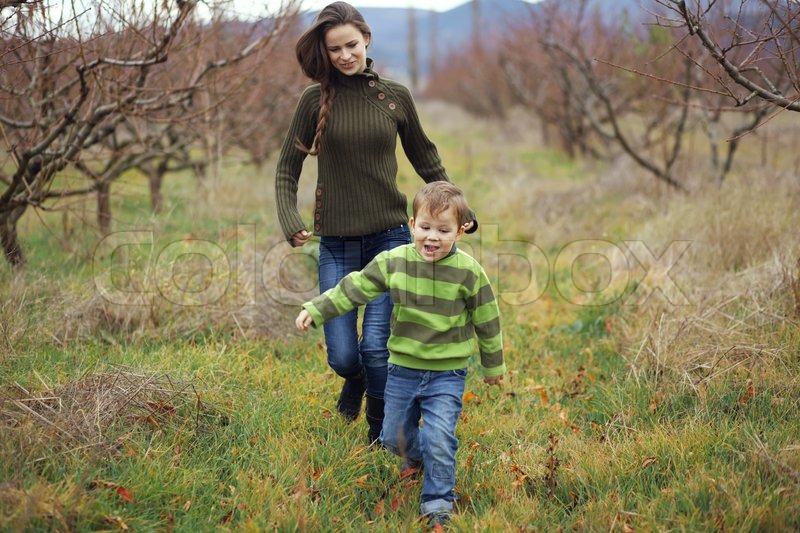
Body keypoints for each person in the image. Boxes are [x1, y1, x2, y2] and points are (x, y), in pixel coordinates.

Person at [274, 1, 477, 443]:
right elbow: (287, 168)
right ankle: (355, 380)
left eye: (351, 45)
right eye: (334, 50)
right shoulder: (314, 101)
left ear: (366, 39)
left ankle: (380, 434)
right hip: (338, 245)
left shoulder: (395, 97)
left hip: (390, 240)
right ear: (324, 53)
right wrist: (290, 220)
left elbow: (425, 157)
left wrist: (462, 211)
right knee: (345, 356)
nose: (345, 55)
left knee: (377, 348)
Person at [295, 182, 504, 526]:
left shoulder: (469, 272)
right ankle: (429, 457)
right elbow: (355, 286)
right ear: (411, 225)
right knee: (393, 437)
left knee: (438, 436)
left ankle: (438, 501)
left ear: (460, 231)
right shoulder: (394, 262)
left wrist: (493, 366)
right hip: (403, 370)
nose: (432, 237)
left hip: (446, 374)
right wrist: (317, 309)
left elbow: (488, 319)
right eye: (425, 228)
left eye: (443, 230)